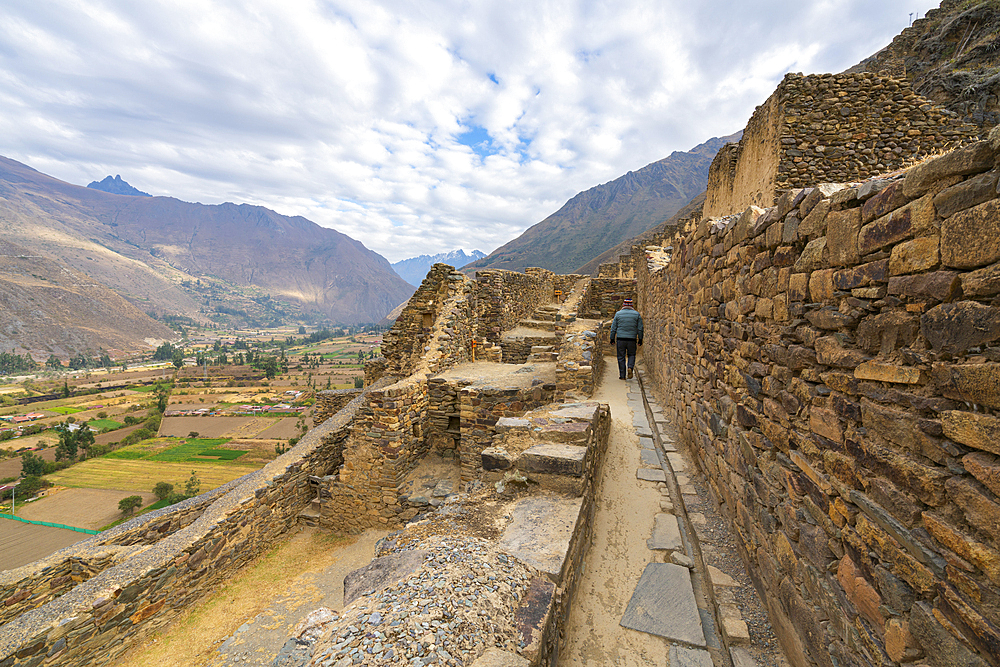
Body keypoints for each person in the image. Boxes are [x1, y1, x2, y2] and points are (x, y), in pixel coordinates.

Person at [609, 297, 643, 380]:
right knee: (631, 354)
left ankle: (622, 375)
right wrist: (640, 339)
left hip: (621, 338)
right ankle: (630, 367)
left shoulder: (618, 314)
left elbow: (613, 328)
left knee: (621, 357)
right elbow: (640, 328)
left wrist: (612, 338)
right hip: (632, 339)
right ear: (631, 305)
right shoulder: (636, 314)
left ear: (623, 305)